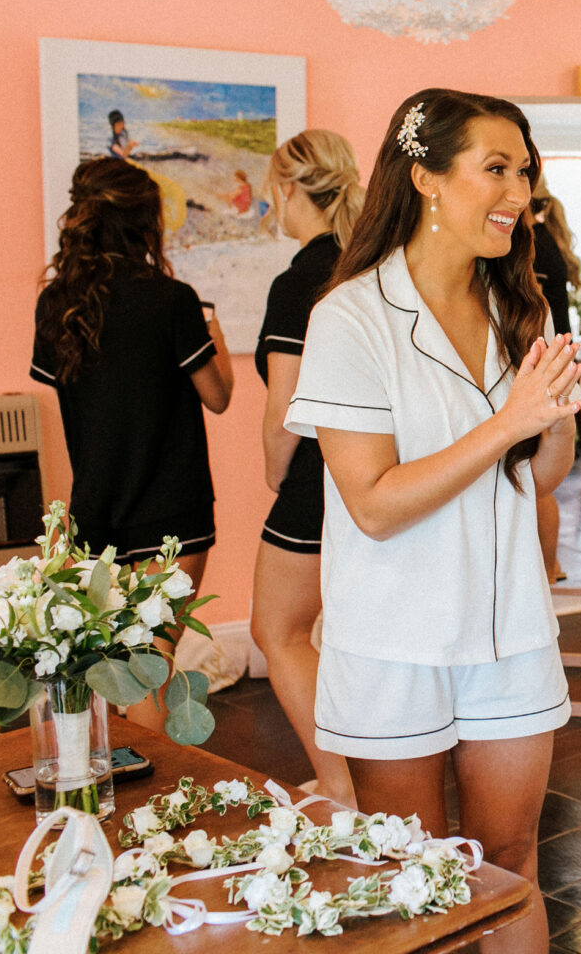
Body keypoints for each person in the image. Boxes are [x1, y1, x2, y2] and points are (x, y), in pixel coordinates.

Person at [285, 88, 581, 954]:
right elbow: (373, 505)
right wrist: (509, 421)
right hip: (393, 641)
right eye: (495, 169)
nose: (518, 194)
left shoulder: (519, 306)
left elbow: (541, 476)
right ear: (424, 178)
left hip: (509, 635)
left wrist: (553, 418)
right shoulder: (349, 319)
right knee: (418, 874)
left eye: (524, 172)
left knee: (508, 859)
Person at [31, 157, 234, 730]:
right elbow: (217, 396)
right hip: (175, 506)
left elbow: (66, 401)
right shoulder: (172, 300)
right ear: (147, 223)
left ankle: (123, 779)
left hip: (97, 505)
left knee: (116, 662)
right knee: (152, 659)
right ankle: (154, 797)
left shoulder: (58, 305)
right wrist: (214, 338)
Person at [249, 129, 365, 808]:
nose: (275, 208)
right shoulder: (375, 267)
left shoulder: (300, 281)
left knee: (278, 631)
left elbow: (283, 409)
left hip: (317, 479)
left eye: (274, 195)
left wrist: (273, 473)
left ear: (292, 191)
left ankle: (340, 781)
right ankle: (360, 773)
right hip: (377, 476)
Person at [529, 183, 581, 582]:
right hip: (555, 352)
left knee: (538, 486)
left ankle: (548, 568)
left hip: (547, 355)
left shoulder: (531, 243)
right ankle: (550, 567)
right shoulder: (544, 238)